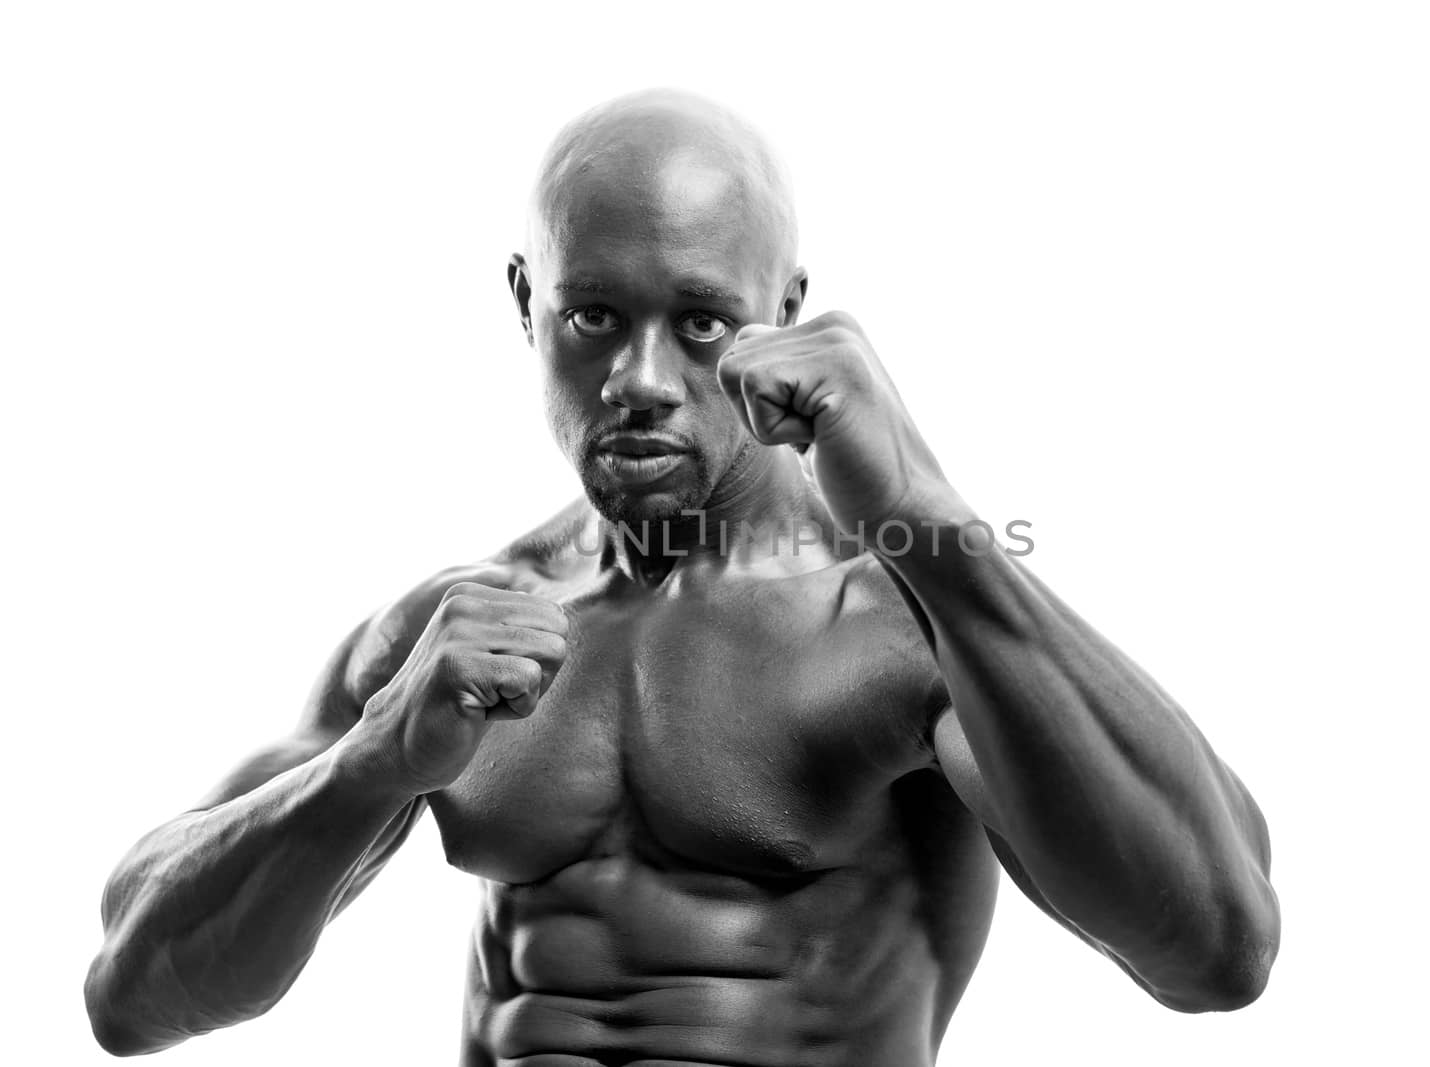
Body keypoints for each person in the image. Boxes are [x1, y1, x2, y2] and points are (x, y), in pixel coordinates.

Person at [84, 88, 1280, 1066]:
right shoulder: (456, 631)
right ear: (525, 305)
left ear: (786, 314)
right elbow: (132, 995)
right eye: (593, 315)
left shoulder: (900, 625)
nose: (640, 376)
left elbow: (1217, 947)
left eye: (702, 323)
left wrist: (923, 512)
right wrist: (370, 764)